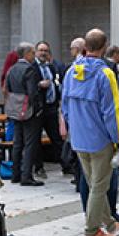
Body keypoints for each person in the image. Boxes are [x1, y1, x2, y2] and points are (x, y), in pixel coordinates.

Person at [62, 28, 119, 236]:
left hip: (78, 138)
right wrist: (118, 140)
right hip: (100, 139)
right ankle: (91, 232)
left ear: (85, 47)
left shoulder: (71, 72)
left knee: (94, 183)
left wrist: (72, 129)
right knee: (99, 186)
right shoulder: (105, 74)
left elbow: (65, 106)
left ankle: (110, 223)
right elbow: (112, 112)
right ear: (104, 47)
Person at [4, 42, 44, 186]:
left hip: (15, 109)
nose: (34, 55)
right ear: (26, 54)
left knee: (17, 143)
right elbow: (32, 92)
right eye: (33, 53)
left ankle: (15, 174)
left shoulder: (12, 69)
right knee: (30, 144)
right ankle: (26, 176)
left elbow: (8, 88)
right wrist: (38, 108)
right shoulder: (29, 70)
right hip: (28, 111)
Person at [33, 41, 67, 178]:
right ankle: (39, 167)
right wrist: (38, 85)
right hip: (39, 108)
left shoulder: (51, 67)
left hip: (51, 107)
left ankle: (66, 165)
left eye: (46, 51)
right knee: (36, 139)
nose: (43, 53)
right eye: (41, 50)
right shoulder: (32, 67)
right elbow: (28, 85)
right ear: (36, 52)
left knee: (57, 138)